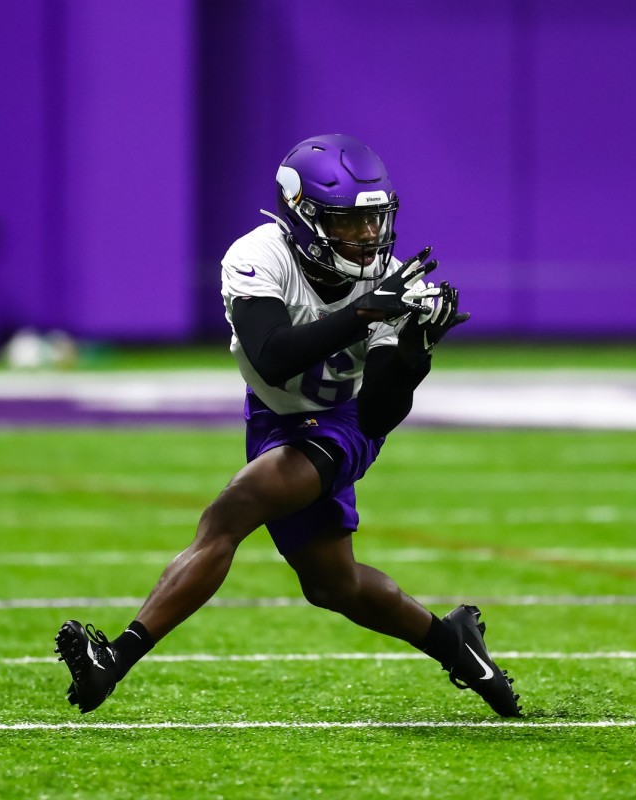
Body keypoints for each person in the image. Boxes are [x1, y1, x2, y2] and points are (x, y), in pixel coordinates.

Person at [54, 134, 520, 718]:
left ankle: (115, 659)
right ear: (302, 214)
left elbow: (379, 414)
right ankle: (456, 643)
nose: (369, 236)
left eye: (374, 221)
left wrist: (413, 355)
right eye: (348, 222)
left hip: (344, 423)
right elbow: (273, 355)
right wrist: (365, 311)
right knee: (333, 586)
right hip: (274, 414)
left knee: (232, 511)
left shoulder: (391, 282)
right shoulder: (259, 256)